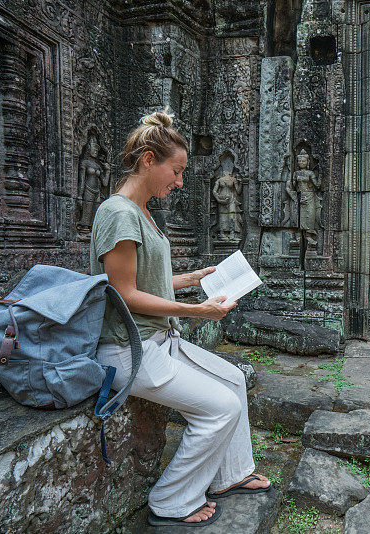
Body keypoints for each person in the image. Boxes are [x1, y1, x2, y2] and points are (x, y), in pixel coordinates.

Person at [89, 108, 270, 527]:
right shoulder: (118, 213)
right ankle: (171, 500)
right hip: (126, 351)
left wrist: (192, 278)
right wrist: (198, 310)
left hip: (158, 343)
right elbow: (125, 294)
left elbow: (141, 278)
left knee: (234, 380)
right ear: (149, 160)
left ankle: (231, 474)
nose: (180, 181)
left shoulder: (142, 212)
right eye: (177, 170)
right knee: (221, 408)